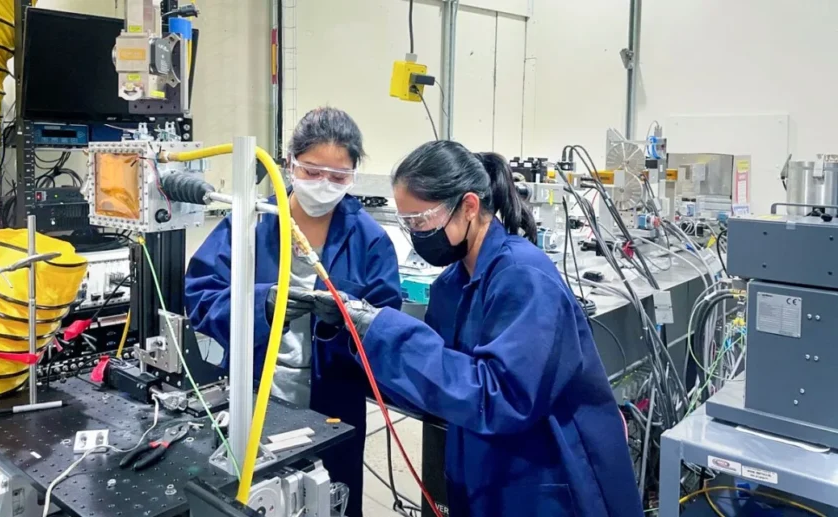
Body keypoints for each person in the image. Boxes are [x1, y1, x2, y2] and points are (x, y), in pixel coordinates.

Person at [313, 141, 643, 516]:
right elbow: (439, 387)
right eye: (407, 224)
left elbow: (501, 397)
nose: (417, 235)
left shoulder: (523, 277)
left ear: (469, 206)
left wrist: (385, 331)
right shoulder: (451, 285)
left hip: (547, 475)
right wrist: (351, 332)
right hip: (484, 469)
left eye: (421, 220)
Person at [184, 107, 401, 517]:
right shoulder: (251, 223)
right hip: (254, 400)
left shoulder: (369, 240)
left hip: (333, 407)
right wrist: (261, 304)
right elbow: (199, 293)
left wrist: (353, 321)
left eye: (338, 177)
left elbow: (386, 324)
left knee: (331, 500)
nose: (324, 185)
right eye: (313, 172)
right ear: (289, 165)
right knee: (251, 499)